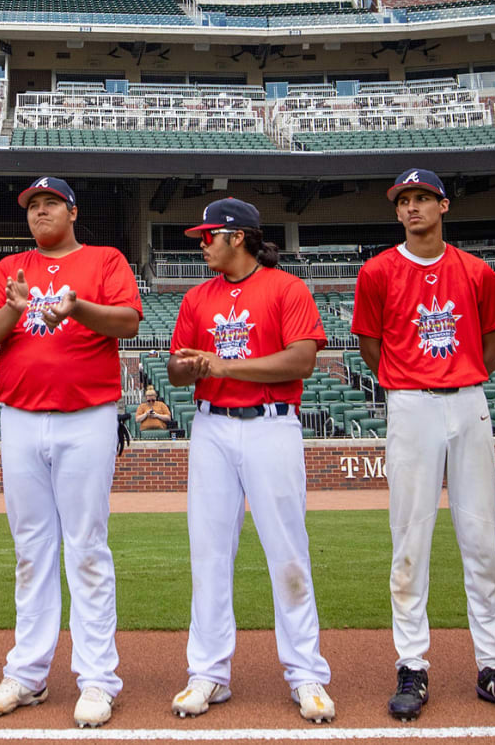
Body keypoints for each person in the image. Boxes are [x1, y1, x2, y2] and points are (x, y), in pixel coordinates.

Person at [354, 170, 495, 721]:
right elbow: (370, 345)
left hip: (467, 398)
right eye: (404, 201)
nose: (413, 208)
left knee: (480, 537)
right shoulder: (377, 271)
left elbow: (493, 341)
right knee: (410, 539)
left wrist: (461, 378)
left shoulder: (476, 270)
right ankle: (412, 664)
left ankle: (493, 666)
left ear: (444, 205)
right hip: (409, 402)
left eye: (423, 199)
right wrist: (409, 383)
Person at [0, 176, 143, 728]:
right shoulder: (8, 270)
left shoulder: (104, 260)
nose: (39, 213)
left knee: (87, 547)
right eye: (32, 206)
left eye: (50, 204)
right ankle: (27, 673)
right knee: (30, 549)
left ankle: (97, 679)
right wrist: (17, 310)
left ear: (72, 211)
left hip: (86, 416)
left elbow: (129, 320)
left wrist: (77, 310)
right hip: (20, 416)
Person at [166, 197, 335, 724]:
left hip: (272, 423)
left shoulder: (287, 288)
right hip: (212, 425)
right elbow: (176, 370)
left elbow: (303, 358)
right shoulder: (196, 298)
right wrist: (188, 366)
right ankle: (208, 673)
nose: (201, 243)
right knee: (209, 552)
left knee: (287, 553)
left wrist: (222, 364)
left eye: (208, 235)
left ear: (237, 236)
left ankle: (306, 674)